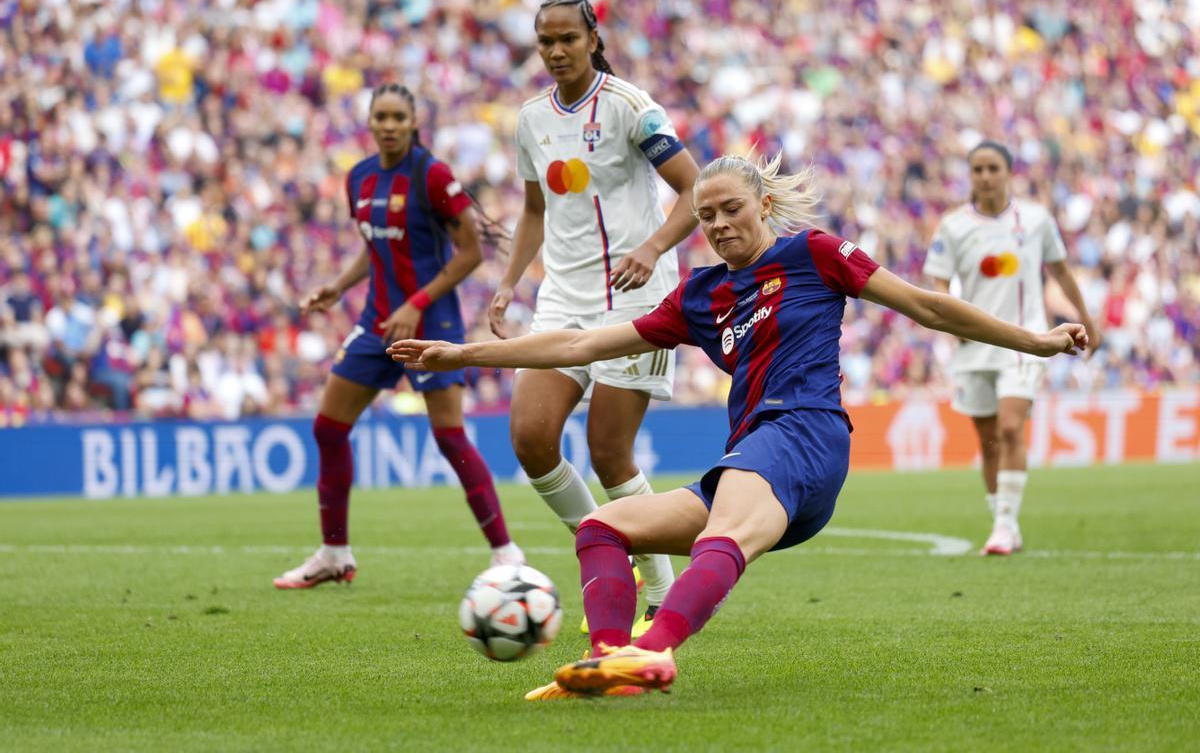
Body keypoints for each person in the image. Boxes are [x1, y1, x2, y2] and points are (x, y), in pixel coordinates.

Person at [388, 152, 1088, 699]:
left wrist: (1037, 341)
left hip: (805, 435)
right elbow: (580, 344)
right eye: (707, 215)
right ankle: (607, 660)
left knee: (721, 535)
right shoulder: (701, 295)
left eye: (731, 209)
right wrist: (467, 353)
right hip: (753, 459)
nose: (720, 225)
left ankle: (652, 651)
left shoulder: (814, 253)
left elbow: (928, 307)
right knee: (606, 528)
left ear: (765, 205)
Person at [487, 0, 702, 632]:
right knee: (529, 437)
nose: (556, 52)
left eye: (567, 40)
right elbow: (533, 210)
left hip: (636, 296)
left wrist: (653, 246)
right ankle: (611, 559)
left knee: (609, 452)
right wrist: (507, 285)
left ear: (591, 38)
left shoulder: (632, 108)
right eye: (545, 42)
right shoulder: (531, 119)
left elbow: (696, 187)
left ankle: (659, 587)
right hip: (562, 299)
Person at [273, 84, 523, 589]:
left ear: (413, 123)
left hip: (431, 322)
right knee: (328, 427)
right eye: (380, 116)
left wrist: (417, 303)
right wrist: (337, 288)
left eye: (397, 117)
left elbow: (471, 253)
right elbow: (375, 247)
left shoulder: (431, 175)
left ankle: (505, 551)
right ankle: (334, 553)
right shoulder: (360, 178)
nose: (388, 125)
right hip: (378, 322)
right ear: (369, 121)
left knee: (449, 436)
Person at [923, 141, 1100, 556]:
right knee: (987, 441)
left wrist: (1085, 317)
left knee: (1009, 427)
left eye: (993, 168)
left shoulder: (1036, 220)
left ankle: (1003, 526)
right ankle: (1005, 522)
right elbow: (938, 282)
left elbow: (1060, 270)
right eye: (978, 169)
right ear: (971, 176)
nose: (985, 176)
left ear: (1008, 172)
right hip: (973, 345)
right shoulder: (953, 226)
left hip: (1026, 341)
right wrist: (953, 325)